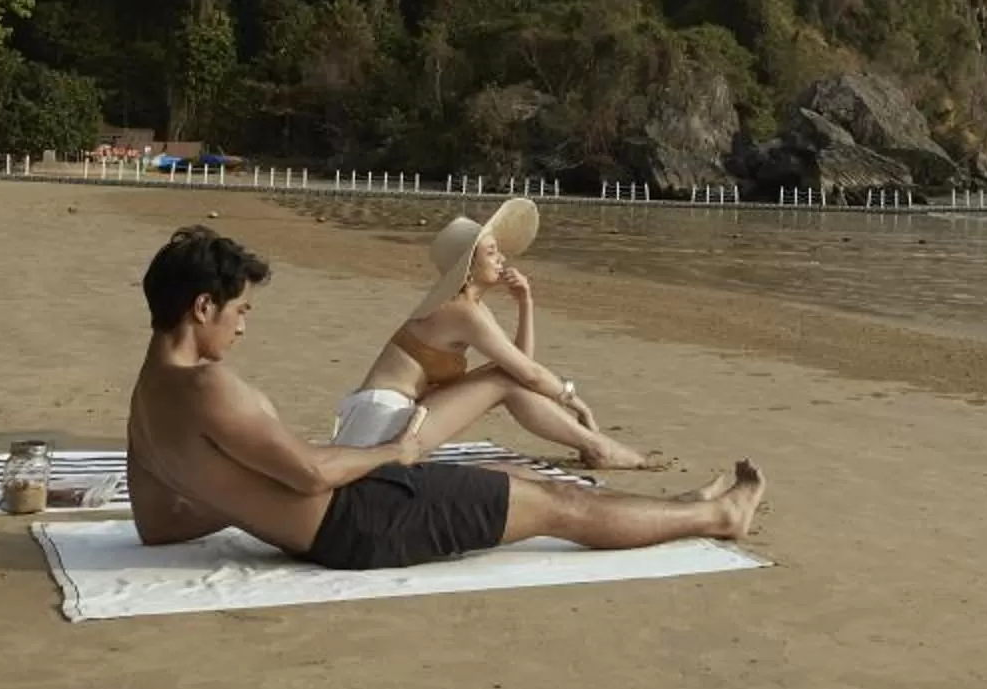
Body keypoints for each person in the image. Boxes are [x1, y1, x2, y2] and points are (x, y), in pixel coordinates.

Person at [124, 225, 763, 570]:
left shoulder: (146, 401)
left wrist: (245, 504)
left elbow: (158, 526)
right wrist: (397, 451)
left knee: (510, 478)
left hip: (329, 528)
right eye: (239, 310)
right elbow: (314, 472)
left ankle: (681, 504)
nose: (243, 324)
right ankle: (716, 518)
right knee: (555, 504)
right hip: (358, 524)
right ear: (202, 305)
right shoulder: (206, 385)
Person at [331, 197, 672, 472]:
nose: (502, 259)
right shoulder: (460, 311)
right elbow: (529, 374)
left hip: (401, 413)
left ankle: (595, 446)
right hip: (379, 423)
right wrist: (577, 402)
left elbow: (522, 365)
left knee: (505, 376)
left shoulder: (470, 308)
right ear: (468, 267)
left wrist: (525, 303)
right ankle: (599, 446)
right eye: (491, 252)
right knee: (504, 381)